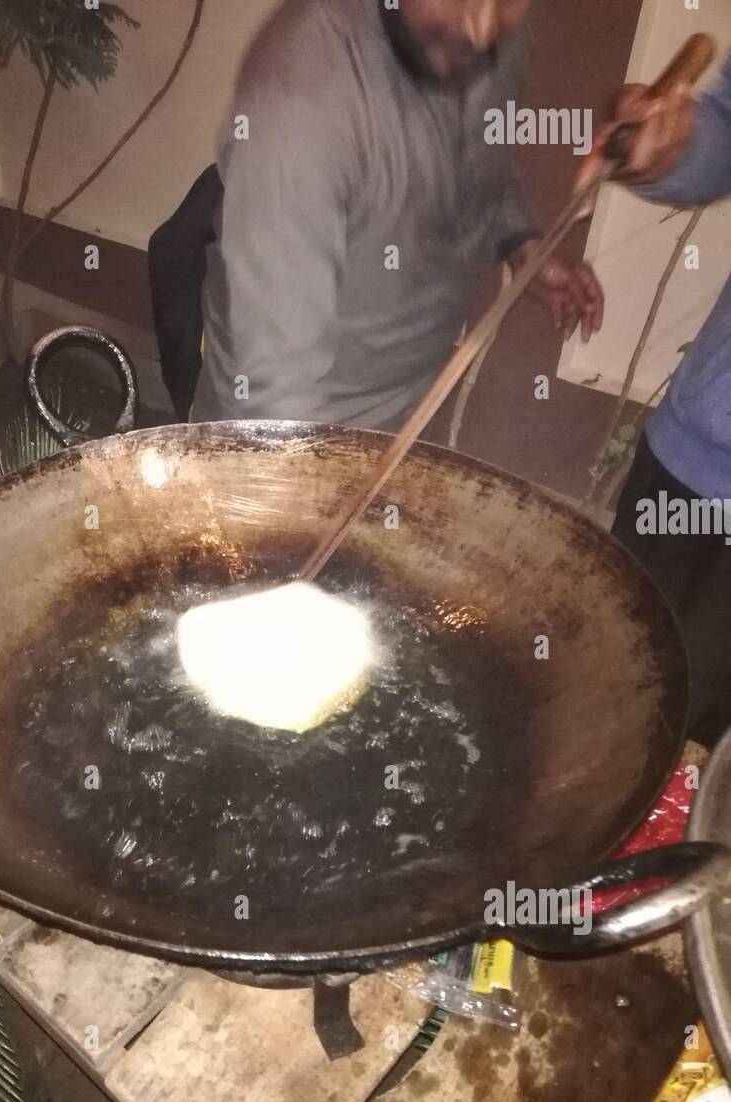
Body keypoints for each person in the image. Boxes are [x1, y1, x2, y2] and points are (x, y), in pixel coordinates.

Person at [191, 0, 603, 431]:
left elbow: (479, 144)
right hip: (286, 432)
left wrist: (520, 240)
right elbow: (277, 387)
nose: (482, 28)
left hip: (409, 413)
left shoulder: (485, 34)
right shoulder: (302, 85)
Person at [592, 53, 731, 746]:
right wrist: (673, 146)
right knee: (608, 698)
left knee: (703, 775)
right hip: (697, 444)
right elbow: (726, 125)